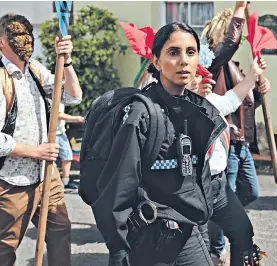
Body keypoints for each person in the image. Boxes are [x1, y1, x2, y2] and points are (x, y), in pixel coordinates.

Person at [90, 22, 229, 266]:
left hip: (191, 233)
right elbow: (117, 190)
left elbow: (197, 177)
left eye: (190, 52)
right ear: (156, 61)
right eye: (173, 52)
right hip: (149, 239)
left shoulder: (200, 111)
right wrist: (120, 252)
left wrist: (202, 225)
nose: (184, 61)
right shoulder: (140, 115)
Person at [0, 13, 82, 266]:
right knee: (5, 248)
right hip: (10, 181)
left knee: (60, 231)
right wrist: (37, 151)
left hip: (46, 175)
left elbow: (73, 96)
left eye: (29, 33)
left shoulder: (35, 70)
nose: (27, 39)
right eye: (18, 35)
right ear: (1, 42)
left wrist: (66, 62)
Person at [201, 2, 271, 264]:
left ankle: (212, 219)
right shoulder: (212, 62)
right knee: (223, 201)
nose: (237, 42)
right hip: (224, 144)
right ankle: (217, 250)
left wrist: (259, 85)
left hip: (242, 144)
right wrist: (240, 8)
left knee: (250, 193)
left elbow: (246, 103)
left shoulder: (236, 66)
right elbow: (230, 41)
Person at [189, 56, 268, 266]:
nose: (201, 79)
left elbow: (233, 98)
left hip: (218, 185)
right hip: (191, 188)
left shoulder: (212, 101)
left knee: (242, 232)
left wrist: (252, 75)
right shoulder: (174, 107)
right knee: (199, 251)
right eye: (193, 76)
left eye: (201, 74)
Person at [55, 101, 84, 189]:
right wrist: (76, 119)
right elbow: (57, 115)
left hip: (61, 132)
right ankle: (51, 181)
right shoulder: (51, 97)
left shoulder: (61, 100)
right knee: (50, 159)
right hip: (51, 133)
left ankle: (65, 182)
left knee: (67, 156)